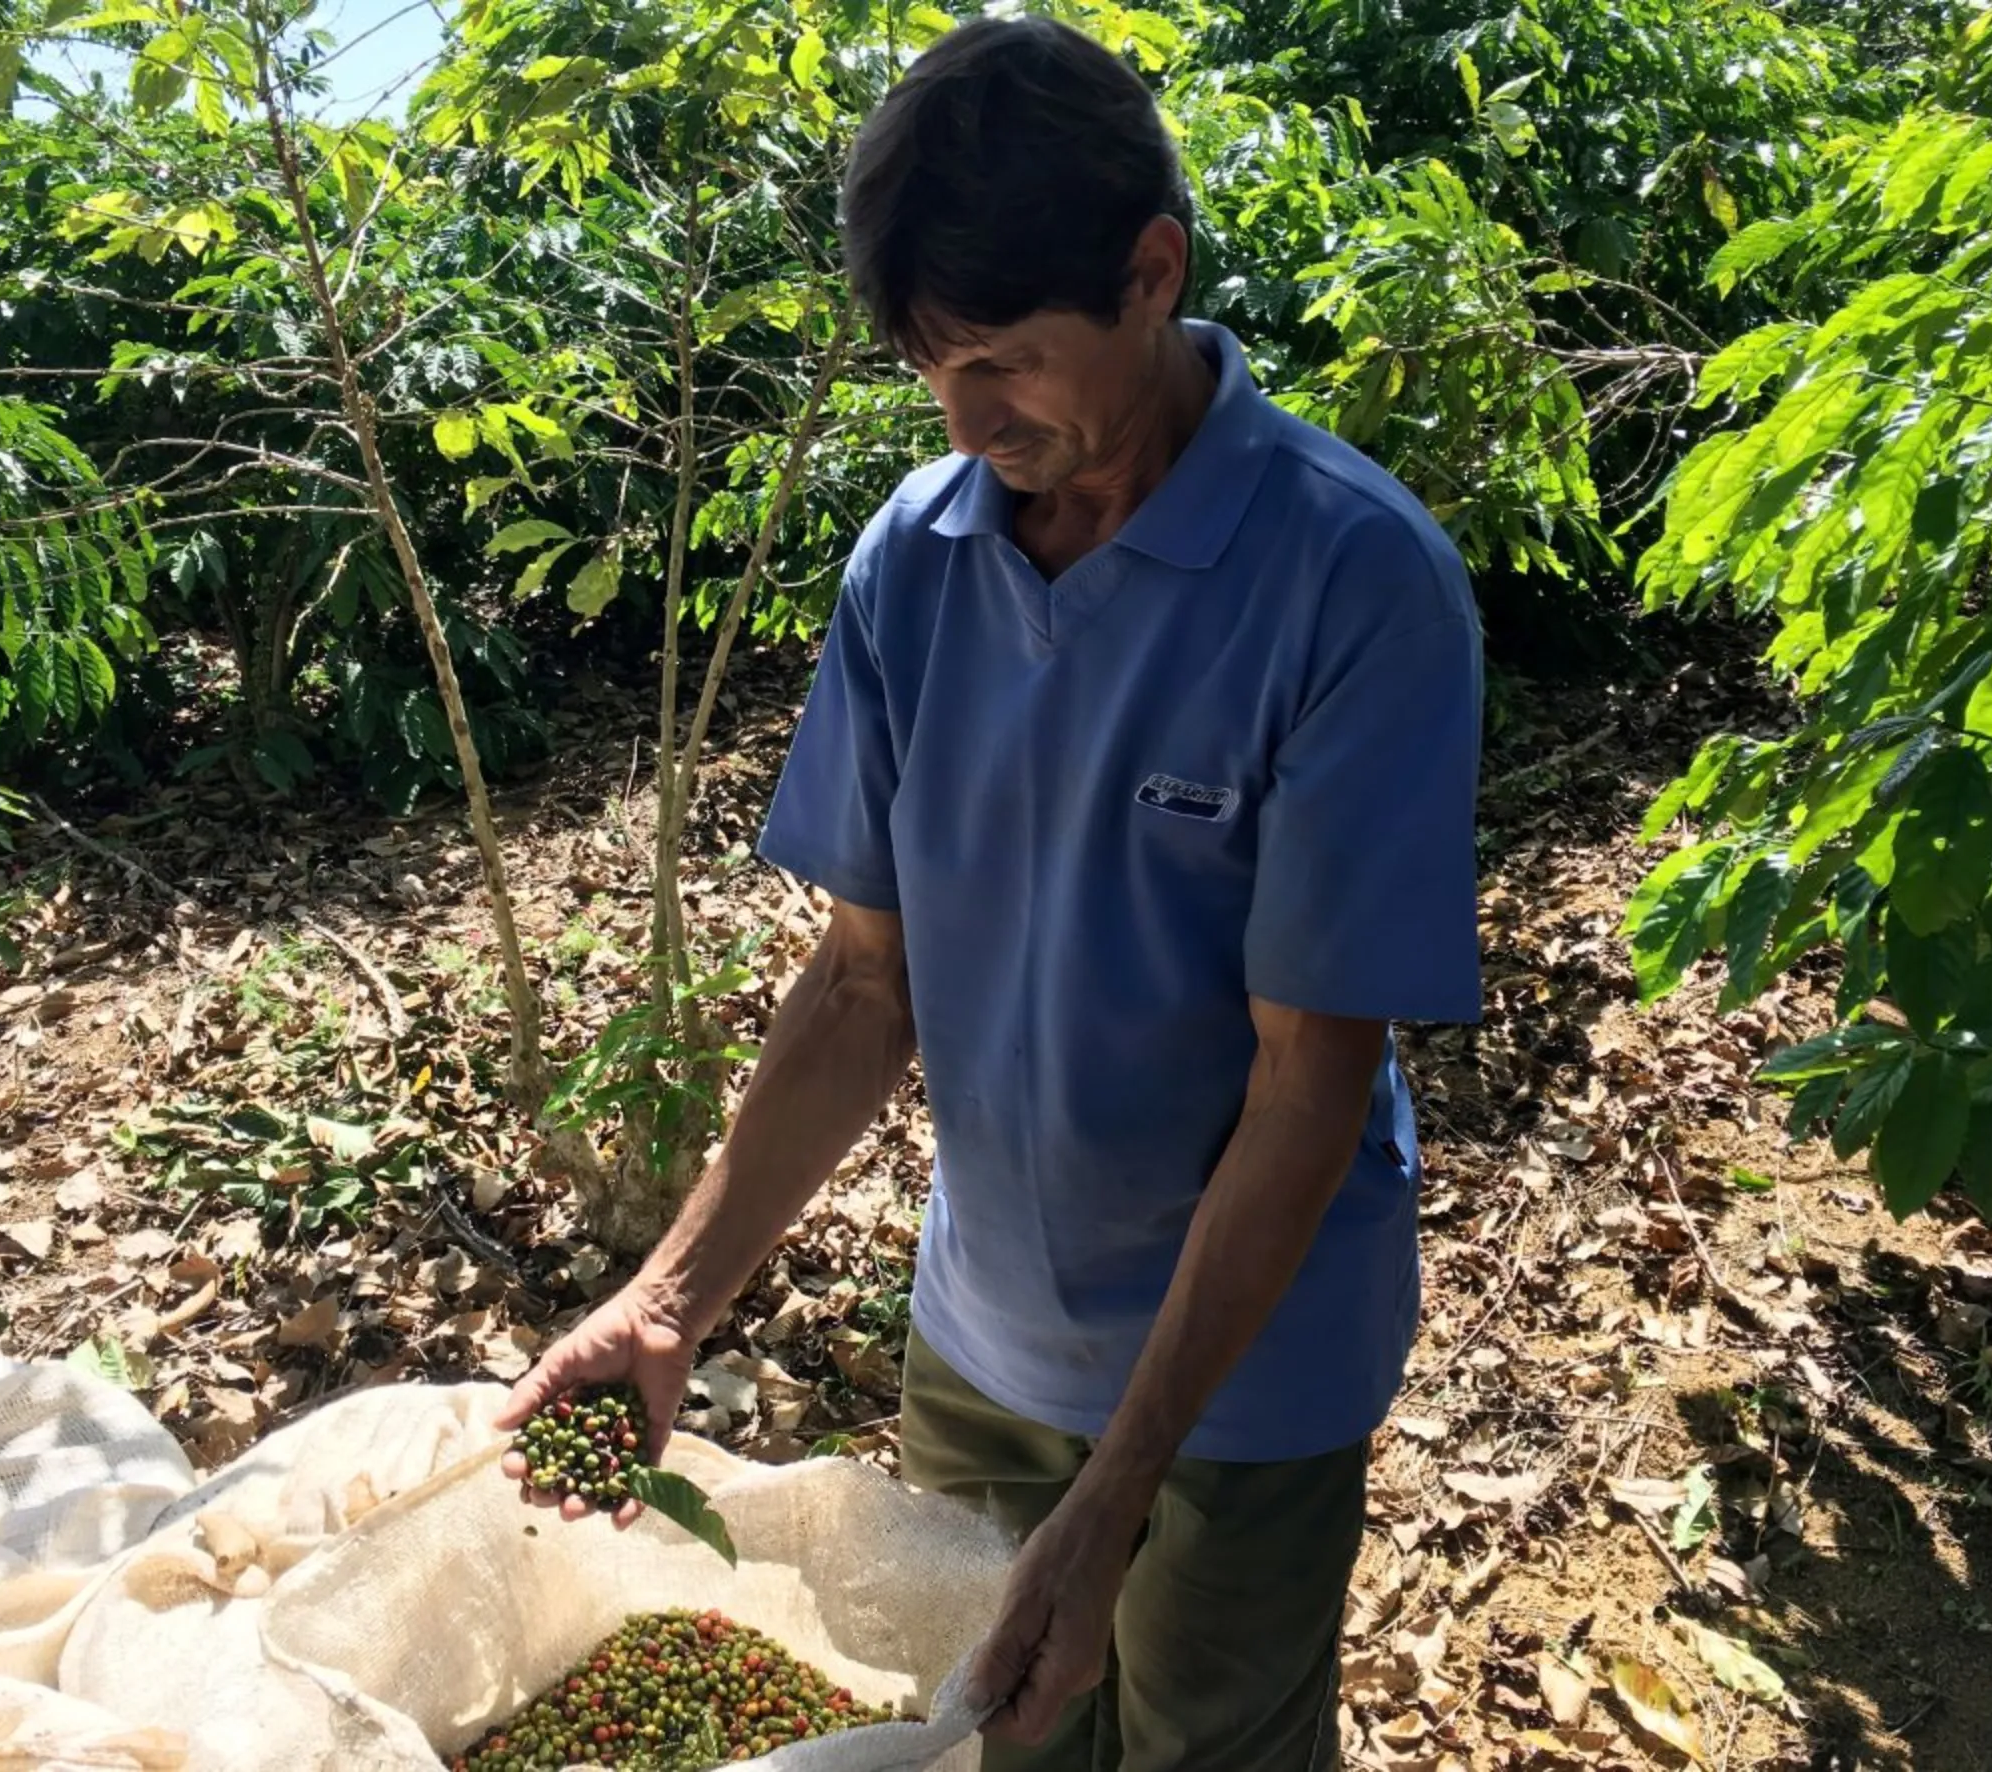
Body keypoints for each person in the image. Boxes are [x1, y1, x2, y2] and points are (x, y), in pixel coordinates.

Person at [496, 15, 1483, 1770]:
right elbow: (864, 988)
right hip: (986, 1332)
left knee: (1205, 1747)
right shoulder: (919, 556)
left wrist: (1118, 1500)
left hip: (1246, 1384)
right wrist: (663, 1309)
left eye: (1009, 362)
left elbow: (1306, 1079)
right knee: (984, 1738)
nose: (967, 419)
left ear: (1154, 272)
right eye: (933, 369)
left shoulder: (1351, 580)